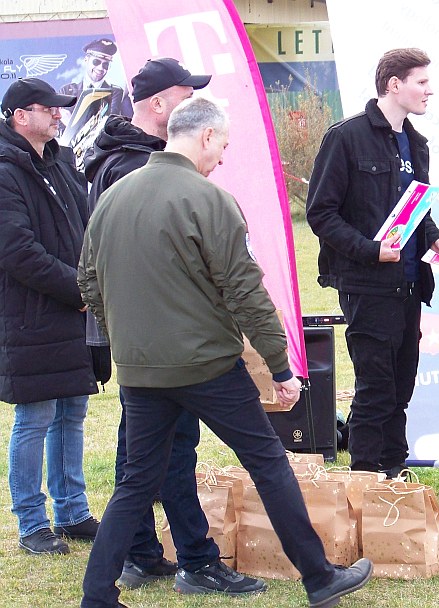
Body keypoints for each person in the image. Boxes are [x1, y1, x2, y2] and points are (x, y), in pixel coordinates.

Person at [77, 96, 372, 608]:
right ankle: (320, 577)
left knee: (135, 484)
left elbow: (88, 281)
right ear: (206, 136)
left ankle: (96, 596)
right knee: (268, 462)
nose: (222, 158)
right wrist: (280, 365)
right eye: (223, 145)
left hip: (141, 370)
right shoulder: (210, 199)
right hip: (207, 366)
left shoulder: (113, 196)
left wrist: (125, 337)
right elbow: (246, 291)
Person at [83, 57, 248, 594]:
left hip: (147, 338)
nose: (195, 105)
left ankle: (144, 553)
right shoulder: (131, 166)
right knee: (159, 453)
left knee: (150, 452)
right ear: (158, 104)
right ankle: (186, 559)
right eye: (185, 95)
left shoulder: (128, 158)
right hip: (162, 343)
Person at [306, 48, 439, 480]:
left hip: (410, 285)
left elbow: (416, 210)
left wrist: (435, 237)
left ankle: (394, 477)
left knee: (400, 389)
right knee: (375, 390)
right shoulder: (346, 137)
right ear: (394, 84)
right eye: (421, 82)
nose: (429, 90)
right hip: (366, 285)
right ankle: (367, 481)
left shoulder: (417, 143)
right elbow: (321, 214)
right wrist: (370, 250)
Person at [0, 78, 100, 555]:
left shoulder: (60, 161)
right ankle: (32, 522)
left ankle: (72, 511)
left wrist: (91, 283)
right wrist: (78, 290)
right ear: (20, 115)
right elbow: (17, 251)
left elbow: (87, 227)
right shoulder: (5, 171)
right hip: (31, 315)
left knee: (72, 412)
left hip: (71, 311)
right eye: (50, 108)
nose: (59, 115)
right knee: (35, 416)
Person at [59, 38, 132, 125]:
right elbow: (58, 125)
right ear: (86, 59)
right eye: (96, 62)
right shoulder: (67, 91)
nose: (100, 68)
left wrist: (70, 123)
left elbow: (109, 123)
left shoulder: (114, 92)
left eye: (105, 65)